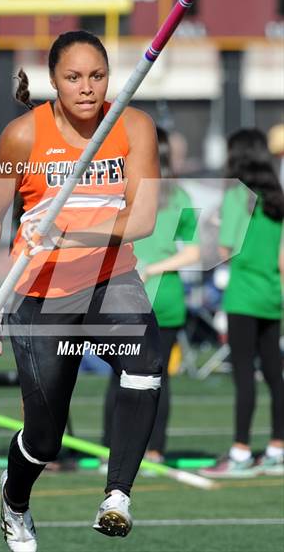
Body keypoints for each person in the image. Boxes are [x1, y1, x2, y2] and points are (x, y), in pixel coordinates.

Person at [0, 30, 162, 552]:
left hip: (109, 277)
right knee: (43, 439)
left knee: (146, 365)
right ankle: (14, 502)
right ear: (52, 80)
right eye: (73, 77)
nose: (87, 88)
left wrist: (74, 232)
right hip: (40, 292)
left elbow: (142, 218)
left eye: (97, 76)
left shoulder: (134, 126)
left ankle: (117, 496)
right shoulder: (21, 136)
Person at [102, 127, 200, 464]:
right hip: (165, 297)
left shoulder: (123, 192)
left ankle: (108, 449)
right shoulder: (181, 196)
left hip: (128, 295)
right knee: (159, 379)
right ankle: (155, 449)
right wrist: (159, 267)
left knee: (120, 375)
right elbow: (194, 251)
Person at [201, 128, 284, 478]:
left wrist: (215, 225)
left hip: (243, 297)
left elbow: (223, 251)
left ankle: (240, 451)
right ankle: (278, 448)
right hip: (272, 294)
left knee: (244, 377)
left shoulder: (237, 197)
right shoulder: (277, 199)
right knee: (274, 373)